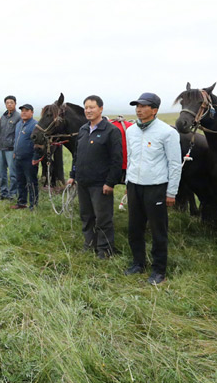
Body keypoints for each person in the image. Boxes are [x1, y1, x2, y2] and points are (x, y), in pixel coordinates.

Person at [123, 93, 182, 285]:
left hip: (156, 187)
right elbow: (130, 158)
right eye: (137, 106)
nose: (139, 109)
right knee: (134, 228)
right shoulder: (131, 131)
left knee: (158, 230)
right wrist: (127, 183)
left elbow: (174, 164)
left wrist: (171, 192)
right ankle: (138, 263)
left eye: (144, 106)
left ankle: (159, 270)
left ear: (154, 110)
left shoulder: (167, 133)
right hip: (134, 186)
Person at [66, 95, 122, 258]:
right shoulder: (83, 130)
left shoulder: (111, 131)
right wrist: (73, 175)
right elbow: (77, 155)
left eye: (92, 107)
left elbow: (116, 159)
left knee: (103, 218)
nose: (88, 110)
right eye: (86, 108)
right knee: (86, 216)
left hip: (101, 184)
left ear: (101, 109)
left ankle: (105, 249)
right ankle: (89, 243)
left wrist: (110, 182)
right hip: (83, 182)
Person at [11, 104, 39, 209]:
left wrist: (35, 157)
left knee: (31, 182)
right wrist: (14, 151)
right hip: (18, 158)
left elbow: (38, 143)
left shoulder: (35, 125)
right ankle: (21, 203)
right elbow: (16, 140)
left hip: (29, 159)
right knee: (20, 181)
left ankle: (33, 204)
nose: (23, 112)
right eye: (22, 110)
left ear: (32, 112)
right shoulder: (19, 124)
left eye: (26, 110)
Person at [0, 95, 19, 200]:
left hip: (11, 149)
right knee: (1, 173)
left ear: (15, 104)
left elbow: (18, 135)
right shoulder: (3, 117)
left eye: (11, 102)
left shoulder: (18, 117)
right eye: (7, 103)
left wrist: (16, 150)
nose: (9, 104)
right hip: (1, 149)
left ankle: (13, 193)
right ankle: (3, 192)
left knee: (13, 173)